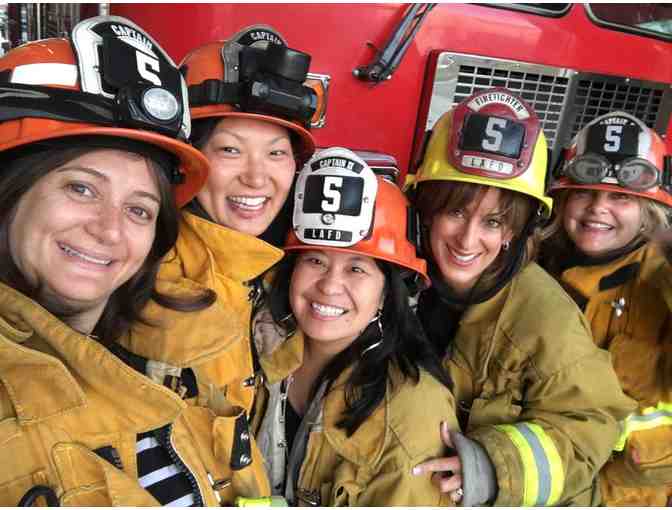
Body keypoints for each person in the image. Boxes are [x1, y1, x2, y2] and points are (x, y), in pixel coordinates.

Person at [0, 15, 271, 506]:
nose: (110, 230)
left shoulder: (150, 358)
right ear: (10, 192)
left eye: (139, 210)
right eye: (81, 188)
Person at [407, 88, 635, 506]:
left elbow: (590, 426)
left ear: (515, 230)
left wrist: (492, 467)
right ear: (426, 210)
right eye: (455, 211)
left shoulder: (545, 318)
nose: (467, 240)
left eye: (493, 222)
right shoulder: (399, 279)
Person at [251, 147, 458, 506]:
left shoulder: (414, 410)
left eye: (356, 268)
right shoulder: (251, 347)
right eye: (315, 260)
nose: (330, 286)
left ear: (386, 293)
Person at [138, 25, 317, 420]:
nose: (256, 178)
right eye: (231, 150)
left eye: (276, 153)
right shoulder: (161, 286)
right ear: (188, 160)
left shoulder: (274, 266)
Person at [540, 111, 672, 506]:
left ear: (648, 209)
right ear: (563, 199)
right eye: (585, 192)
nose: (599, 207)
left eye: (620, 197)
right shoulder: (534, 266)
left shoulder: (661, 282)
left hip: (622, 493)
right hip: (540, 473)